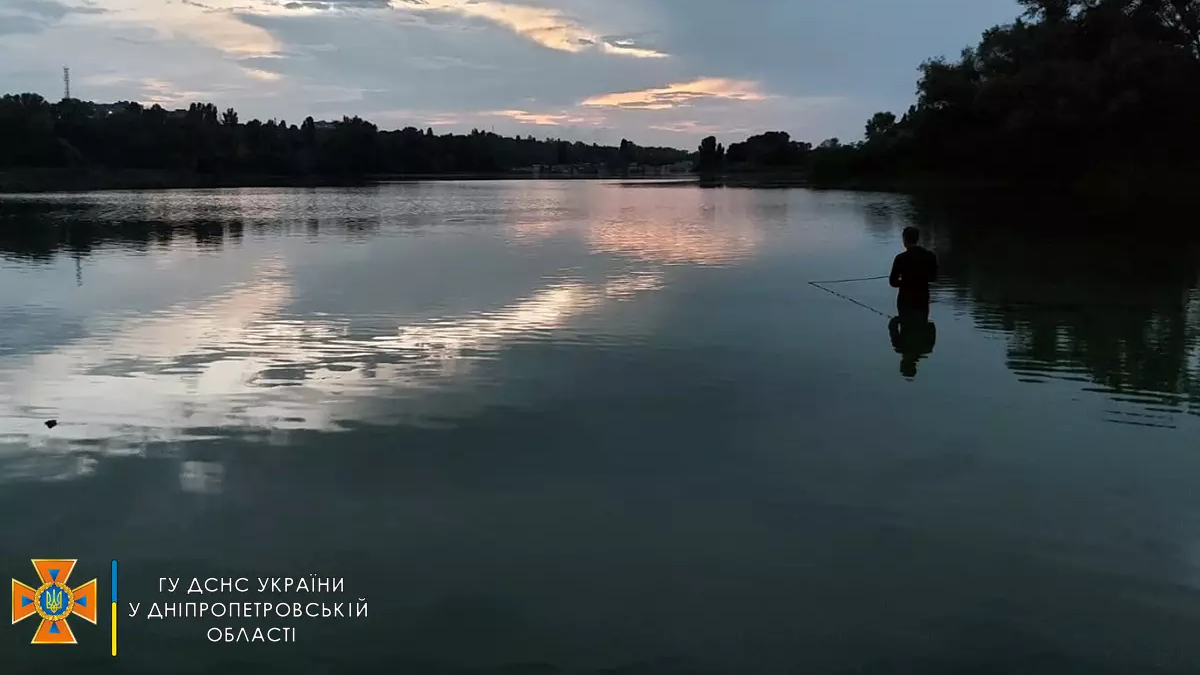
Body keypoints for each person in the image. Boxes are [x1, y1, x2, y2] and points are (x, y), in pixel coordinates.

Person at [889, 226, 938, 319]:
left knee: (906, 328)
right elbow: (933, 278)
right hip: (922, 298)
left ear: (904, 239)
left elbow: (893, 282)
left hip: (905, 299)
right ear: (917, 238)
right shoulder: (930, 256)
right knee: (921, 327)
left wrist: (905, 282)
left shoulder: (900, 258)